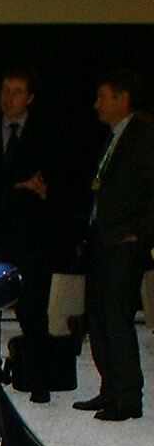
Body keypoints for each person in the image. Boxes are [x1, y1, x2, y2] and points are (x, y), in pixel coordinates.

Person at [73, 70, 154, 421]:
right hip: (103, 240)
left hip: (124, 243)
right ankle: (110, 389)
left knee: (116, 317)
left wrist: (141, 231)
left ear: (122, 98)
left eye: (103, 96)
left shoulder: (144, 137)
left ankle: (128, 398)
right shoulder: (114, 136)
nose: (97, 104)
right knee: (99, 316)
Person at [0, 68, 53, 402]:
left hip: (30, 238)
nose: (9, 97)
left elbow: (50, 188)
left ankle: (37, 378)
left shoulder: (45, 135)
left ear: (30, 98)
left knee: (33, 310)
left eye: (17, 91)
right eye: (5, 90)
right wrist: (20, 186)